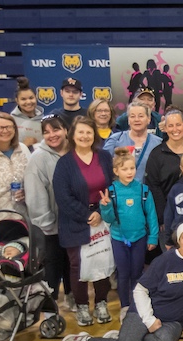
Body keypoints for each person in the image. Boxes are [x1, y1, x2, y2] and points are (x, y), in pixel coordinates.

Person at [60, 222, 183, 341]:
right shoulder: (164, 261)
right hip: (143, 313)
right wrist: (149, 320)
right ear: (178, 240)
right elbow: (140, 290)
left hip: (173, 321)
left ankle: (126, 338)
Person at [53, 117, 114, 326]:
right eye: (81, 132)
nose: (85, 136)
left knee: (102, 261)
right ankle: (81, 305)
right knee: (77, 266)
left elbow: (112, 187)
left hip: (102, 217)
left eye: (89, 132)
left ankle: (101, 302)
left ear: (94, 134)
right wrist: (87, 215)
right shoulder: (65, 163)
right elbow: (62, 196)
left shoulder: (105, 157)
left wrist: (99, 212)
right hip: (75, 221)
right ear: (72, 135)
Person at [99, 148, 159, 320]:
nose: (129, 172)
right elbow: (109, 218)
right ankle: (125, 305)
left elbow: (151, 215)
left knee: (136, 272)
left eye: (132, 168)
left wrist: (153, 236)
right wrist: (105, 206)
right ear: (116, 171)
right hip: (119, 239)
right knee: (123, 273)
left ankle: (136, 304)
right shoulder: (111, 191)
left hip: (139, 238)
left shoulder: (143, 190)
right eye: (124, 169)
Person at [144, 108, 183, 249]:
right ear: (165, 128)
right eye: (171, 126)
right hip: (169, 221)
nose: (175, 129)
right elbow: (153, 187)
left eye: (178, 125)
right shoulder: (157, 154)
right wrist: (162, 219)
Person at [25, 115, 72, 306]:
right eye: (46, 132)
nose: (52, 135)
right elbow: (35, 194)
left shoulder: (75, 151)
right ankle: (50, 306)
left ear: (66, 130)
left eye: (56, 129)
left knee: (72, 264)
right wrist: (46, 223)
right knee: (53, 265)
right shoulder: (38, 158)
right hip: (51, 226)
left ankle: (72, 296)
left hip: (74, 223)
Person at [103, 101, 162, 183]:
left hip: (147, 193)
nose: (136, 120)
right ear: (128, 120)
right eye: (132, 116)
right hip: (121, 192)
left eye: (141, 116)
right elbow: (102, 164)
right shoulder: (115, 140)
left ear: (148, 119)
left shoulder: (158, 143)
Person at [10, 76, 43, 147]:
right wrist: (24, 145)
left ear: (36, 97)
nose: (28, 102)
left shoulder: (44, 120)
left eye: (31, 98)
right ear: (17, 101)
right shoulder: (11, 121)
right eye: (23, 99)